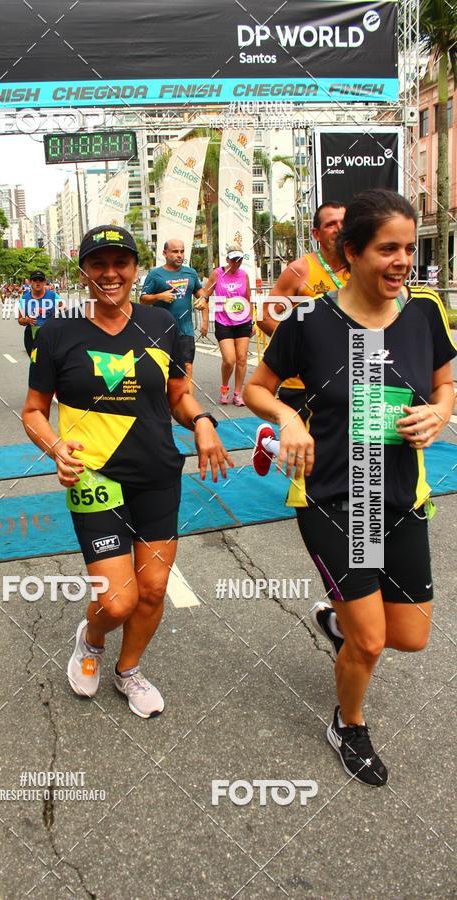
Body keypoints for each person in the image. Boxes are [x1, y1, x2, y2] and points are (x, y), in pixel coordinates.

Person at [243, 190, 456, 786]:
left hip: (400, 496)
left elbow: (446, 387)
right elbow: (259, 386)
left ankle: (339, 619)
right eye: (388, 249)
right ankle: (349, 723)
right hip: (336, 496)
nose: (402, 261)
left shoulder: (425, 313)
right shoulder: (311, 320)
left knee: (409, 637)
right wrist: (287, 418)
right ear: (352, 251)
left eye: (409, 249)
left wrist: (438, 415)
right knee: (372, 641)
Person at [22, 225, 232, 718]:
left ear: (136, 269)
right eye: (99, 264)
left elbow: (179, 395)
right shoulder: (58, 331)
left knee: (154, 589)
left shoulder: (161, 324)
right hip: (92, 477)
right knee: (116, 602)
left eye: (121, 263)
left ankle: (128, 669)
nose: (110, 273)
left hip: (158, 473)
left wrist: (202, 421)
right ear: (84, 272)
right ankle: (92, 639)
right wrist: (56, 447)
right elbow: (33, 410)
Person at [260, 202, 349, 418]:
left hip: (350, 379)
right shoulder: (300, 269)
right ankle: (272, 445)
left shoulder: (363, 267)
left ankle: (270, 444)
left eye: (344, 223)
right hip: (303, 384)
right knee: (306, 447)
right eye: (331, 224)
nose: (339, 228)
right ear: (316, 234)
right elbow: (265, 316)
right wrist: (301, 350)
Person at [139, 238, 207, 394]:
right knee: (164, 371)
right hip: (161, 332)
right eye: (175, 251)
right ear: (165, 253)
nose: (179, 255)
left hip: (185, 330)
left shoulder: (190, 273)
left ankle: (189, 406)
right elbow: (143, 299)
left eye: (182, 251)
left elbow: (201, 293)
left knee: (187, 367)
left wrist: (203, 300)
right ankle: (164, 405)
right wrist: (159, 296)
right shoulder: (155, 275)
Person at [201, 243, 253, 406]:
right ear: (227, 259)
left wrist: (251, 320)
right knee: (229, 360)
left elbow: (248, 299)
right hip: (223, 322)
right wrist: (203, 316)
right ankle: (224, 388)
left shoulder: (244, 275)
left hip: (243, 322)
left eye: (239, 259)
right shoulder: (217, 274)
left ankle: (238, 393)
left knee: (242, 359)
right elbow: (205, 295)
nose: (236, 263)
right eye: (234, 259)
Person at [17, 270, 58, 357]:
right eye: (35, 280)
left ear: (44, 282)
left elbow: (64, 314)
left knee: (51, 364)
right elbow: (20, 320)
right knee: (36, 364)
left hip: (51, 336)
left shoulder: (54, 296)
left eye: (40, 280)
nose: (38, 282)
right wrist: (27, 320)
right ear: (31, 282)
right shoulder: (24, 299)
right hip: (31, 337)